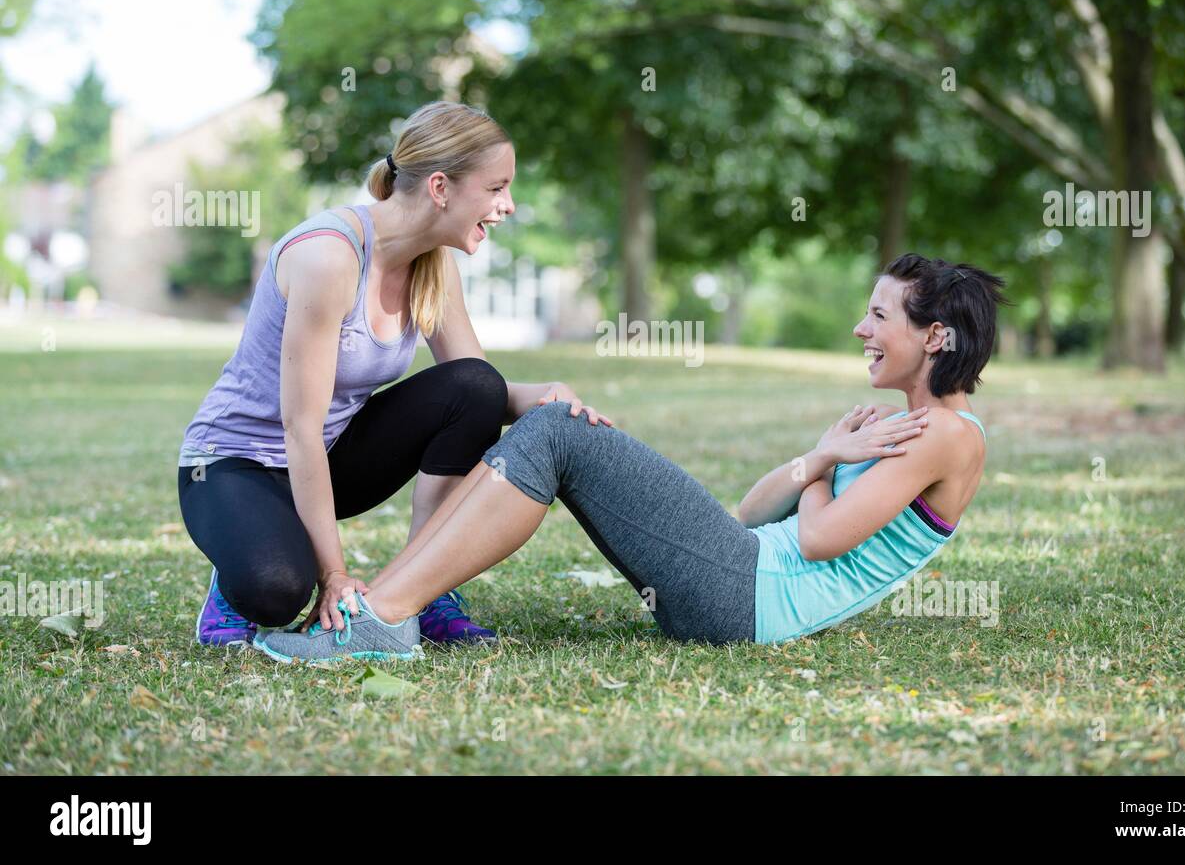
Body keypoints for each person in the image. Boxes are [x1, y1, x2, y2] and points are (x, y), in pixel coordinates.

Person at [253, 253, 1007, 662]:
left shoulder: (945, 436)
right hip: (739, 569)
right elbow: (748, 513)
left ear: (935, 336)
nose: (859, 328)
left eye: (879, 315)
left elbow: (818, 538)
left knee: (555, 430)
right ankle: (379, 611)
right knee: (556, 432)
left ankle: (378, 617)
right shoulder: (905, 427)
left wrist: (824, 465)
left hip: (747, 600)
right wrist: (820, 459)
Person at [179, 101, 612, 647]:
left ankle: (422, 592)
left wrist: (544, 397)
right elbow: (299, 427)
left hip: (331, 459)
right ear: (440, 188)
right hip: (235, 464)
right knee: (276, 591)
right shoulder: (328, 257)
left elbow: (475, 388)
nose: (509, 205)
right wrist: (333, 575)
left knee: (475, 384)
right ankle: (235, 570)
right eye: (497, 188)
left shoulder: (433, 262)